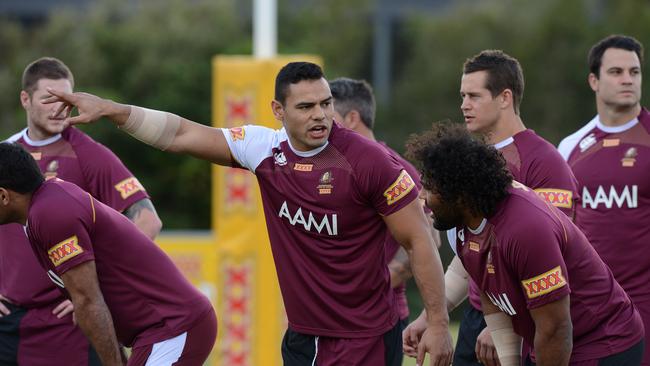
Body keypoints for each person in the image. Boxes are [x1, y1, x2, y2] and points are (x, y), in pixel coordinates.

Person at [43, 62, 453, 366]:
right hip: (302, 337)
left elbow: (418, 239)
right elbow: (182, 133)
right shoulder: (264, 149)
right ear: (278, 110)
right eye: (307, 106)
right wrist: (112, 109)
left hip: (364, 338)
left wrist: (436, 322)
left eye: (326, 104)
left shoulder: (370, 162)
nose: (320, 115)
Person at [407, 121, 645, 365]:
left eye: (429, 187)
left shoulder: (525, 229)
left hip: (602, 341)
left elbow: (556, 328)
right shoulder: (463, 224)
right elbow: (492, 295)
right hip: (556, 337)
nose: (422, 196)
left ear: (459, 194)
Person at [405, 50, 579, 366]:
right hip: (480, 316)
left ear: (504, 98)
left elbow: (554, 259)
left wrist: (507, 326)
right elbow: (469, 253)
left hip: (523, 322)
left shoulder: (545, 162)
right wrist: (433, 315)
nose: (463, 105)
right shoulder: (473, 161)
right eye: (462, 96)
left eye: (474, 95)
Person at [0, 57, 162, 366]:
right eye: (50, 99)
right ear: (25, 99)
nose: (60, 108)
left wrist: (94, 287)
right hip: (11, 324)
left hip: (70, 323)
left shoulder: (89, 154)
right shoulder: (6, 154)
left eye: (67, 100)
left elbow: (147, 220)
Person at [0, 142, 217, 365]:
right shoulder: (44, 206)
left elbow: (88, 300)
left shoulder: (50, 213)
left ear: (4, 196)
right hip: (159, 330)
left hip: (172, 327)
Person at [558, 34, 650, 366]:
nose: (628, 79)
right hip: (590, 309)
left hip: (645, 305)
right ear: (594, 80)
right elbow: (559, 231)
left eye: (635, 72)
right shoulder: (569, 147)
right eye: (616, 72)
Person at [328, 77, 441, 341]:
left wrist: (366, 290)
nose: (320, 123)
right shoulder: (328, 169)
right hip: (330, 319)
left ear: (352, 118)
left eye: (328, 113)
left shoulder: (396, 170)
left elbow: (429, 239)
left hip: (378, 319)